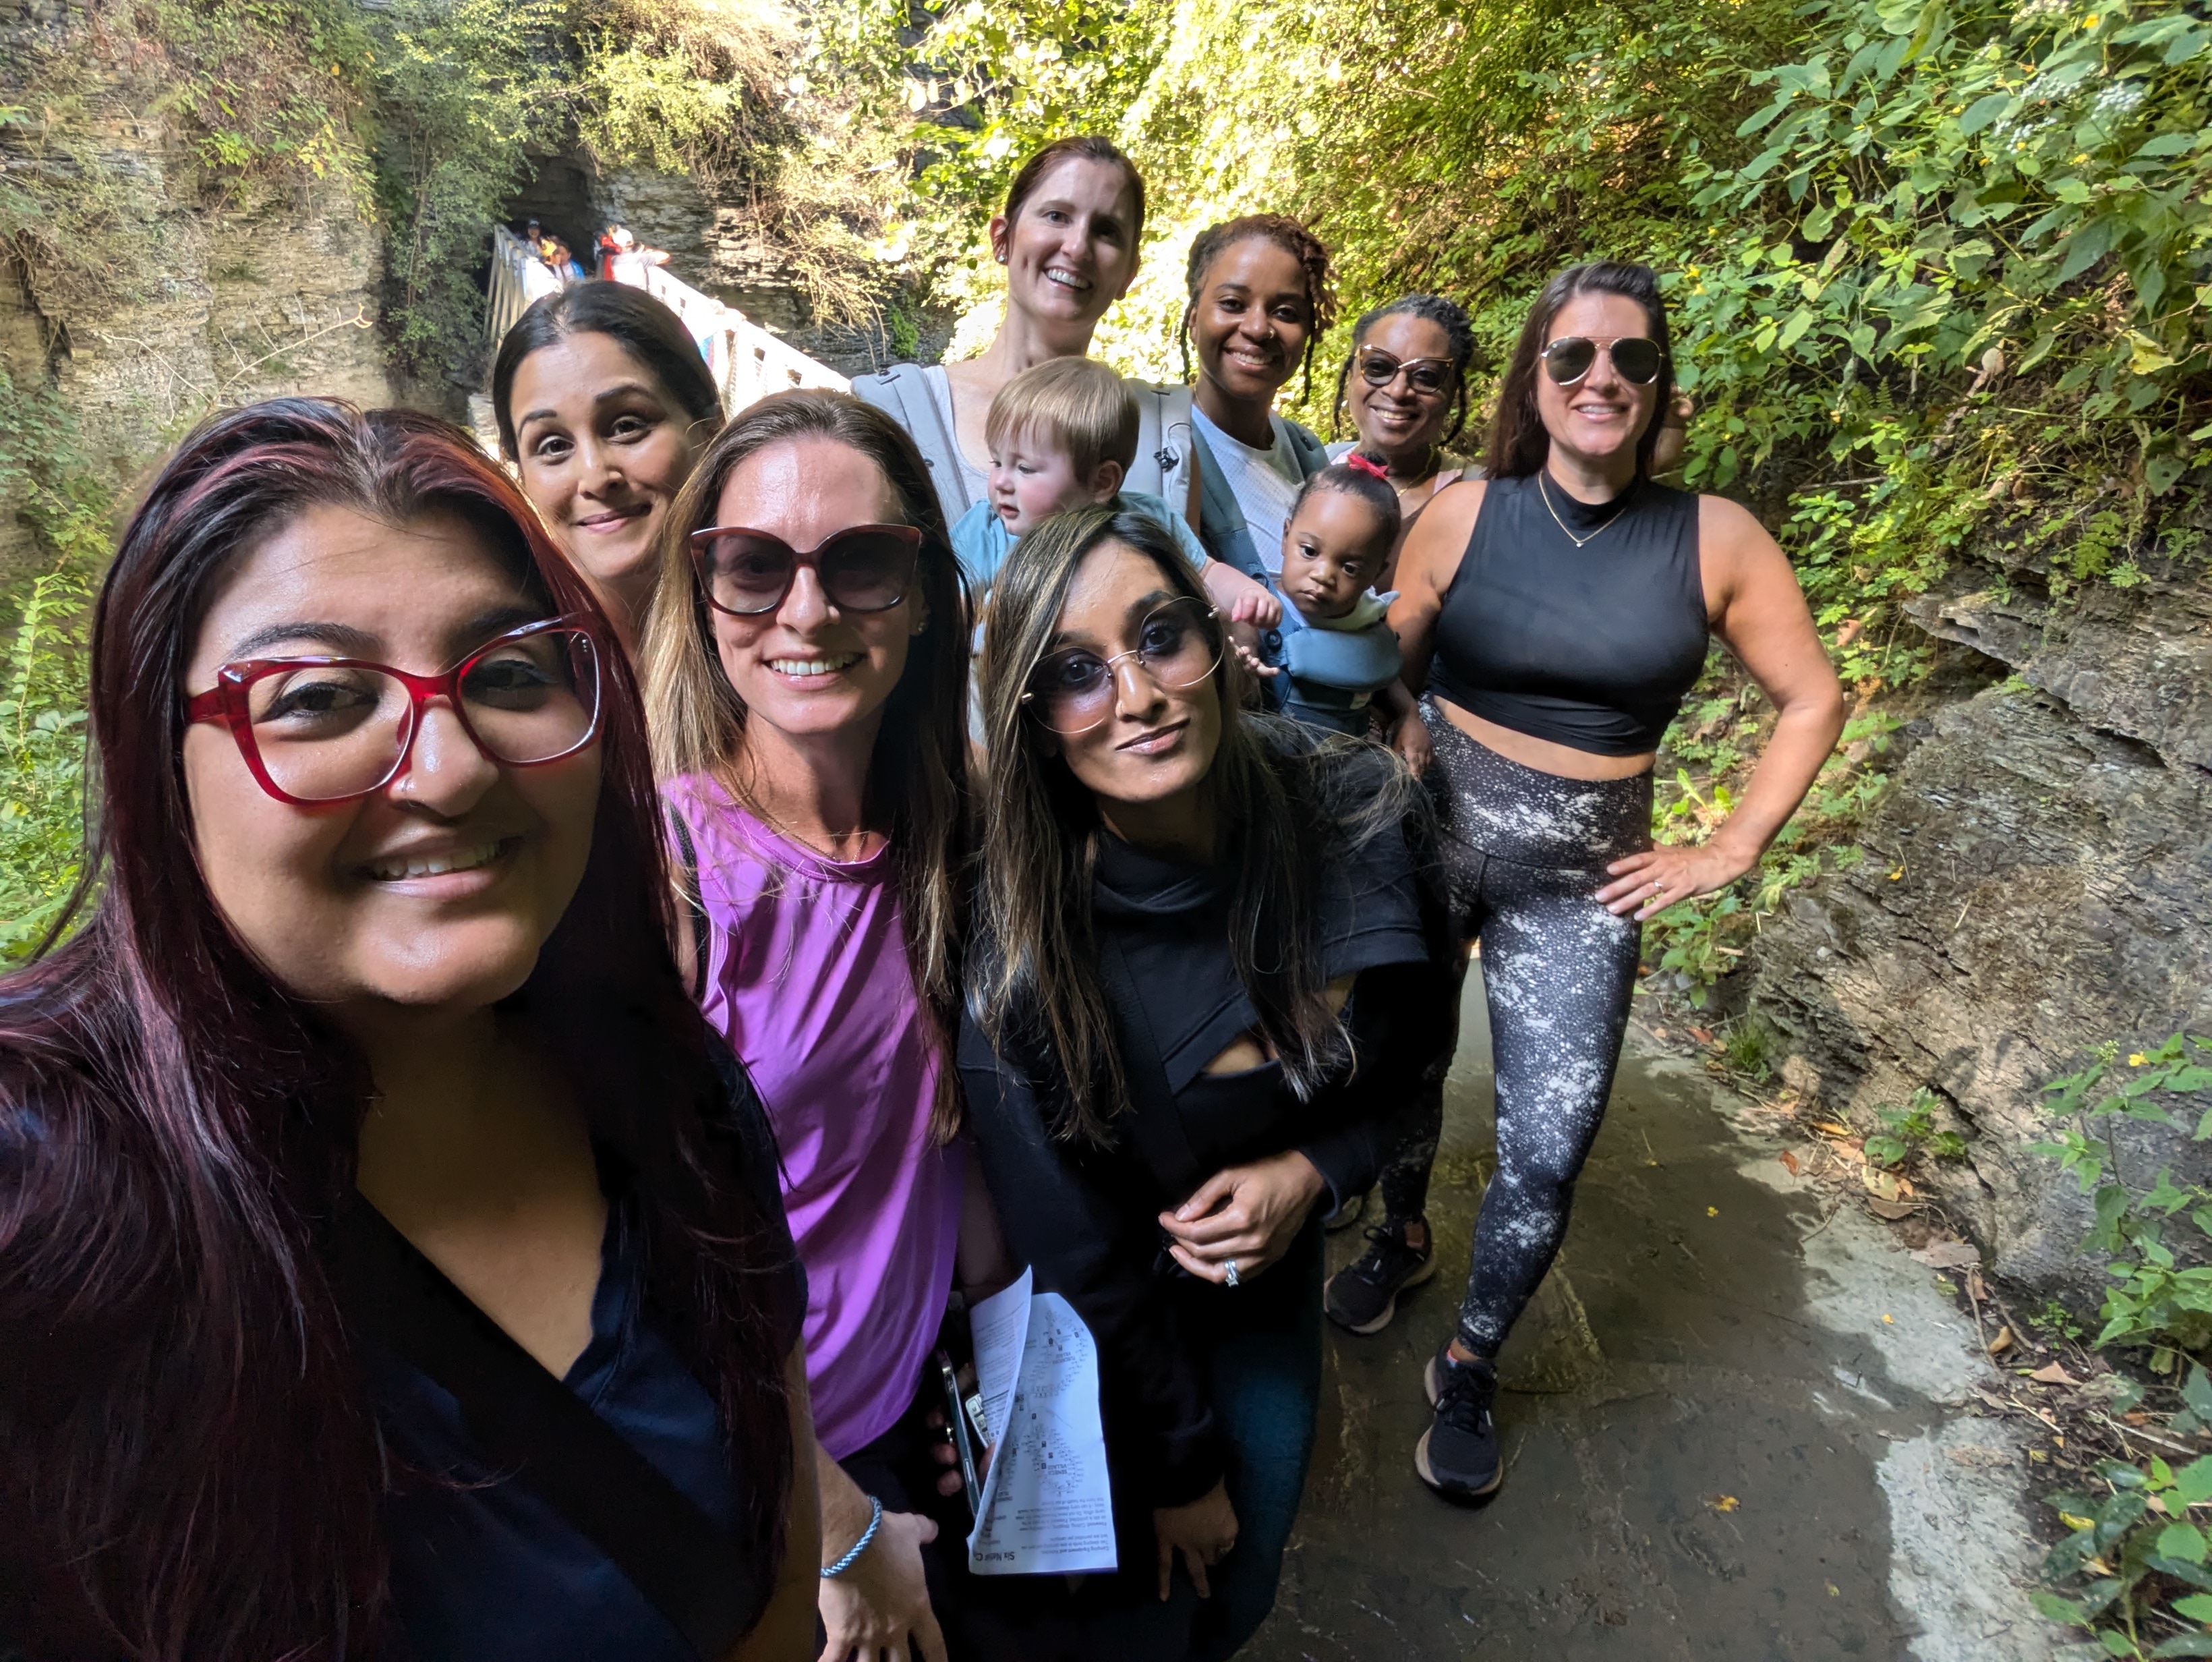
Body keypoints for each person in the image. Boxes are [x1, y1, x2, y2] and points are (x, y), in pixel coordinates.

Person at [0, 398, 819, 1661]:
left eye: (509, 674)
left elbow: (770, 1579)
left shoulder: (672, 1095)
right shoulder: (36, 1200)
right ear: (159, 762)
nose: (448, 768)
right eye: (321, 697)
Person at [1343, 261, 1846, 1506]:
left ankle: (1471, 1361)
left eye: (1631, 357)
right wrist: (1392, 722)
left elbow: (1811, 698)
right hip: (1433, 840)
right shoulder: (1464, 511)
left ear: (1660, 381)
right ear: (1536, 378)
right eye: (1572, 356)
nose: (1600, 378)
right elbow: (1377, 663)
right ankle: (1401, 1232)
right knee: (1400, 1068)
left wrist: (1730, 847)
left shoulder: (1716, 537)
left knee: (1550, 1144)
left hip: (1584, 887)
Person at [958, 506, 1455, 1661]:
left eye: (1158, 636)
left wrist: (1318, 1171)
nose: (1137, 695)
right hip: (1114, 1323)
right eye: (1076, 673)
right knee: (1156, 1607)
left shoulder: (1364, 806)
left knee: (1247, 1573)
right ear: (1034, 725)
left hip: (1265, 1281)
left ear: (1217, 639)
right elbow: (1073, 1248)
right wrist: (1178, 1463)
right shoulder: (1026, 953)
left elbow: (1418, 1048)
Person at [641, 390, 985, 1662]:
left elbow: (934, 1141)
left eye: (862, 562)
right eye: (753, 565)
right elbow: (628, 1260)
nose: (806, 610)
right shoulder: (669, 870)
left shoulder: (950, 834)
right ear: (703, 593)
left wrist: (985, 1359)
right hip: (763, 1476)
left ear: (925, 591)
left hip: (908, 1413)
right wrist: (833, 1526)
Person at [852, 136, 1277, 631]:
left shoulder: (1166, 431)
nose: (1076, 247)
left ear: (1129, 273)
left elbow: (1200, 597)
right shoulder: (898, 411)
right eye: (1056, 215)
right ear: (1002, 239)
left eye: (1106, 231)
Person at [493, 280, 724, 651]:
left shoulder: (791, 627)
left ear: (711, 430)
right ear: (520, 476)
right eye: (554, 446)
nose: (596, 477)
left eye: (627, 426)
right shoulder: (509, 657)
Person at [952, 356, 1213, 598]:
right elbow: (948, 605)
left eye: (1025, 468)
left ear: (1101, 482)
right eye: (997, 463)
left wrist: (1236, 596)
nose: (1000, 483)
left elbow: (1207, 574)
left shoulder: (1150, 518)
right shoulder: (986, 531)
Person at [1178, 215, 1337, 586]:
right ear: (1194, 319)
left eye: (1285, 313)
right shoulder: (1150, 439)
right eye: (1233, 303)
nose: (1257, 328)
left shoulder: (1307, 453)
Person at [1251, 459, 1414, 743]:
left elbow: (1383, 668)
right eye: (1310, 551)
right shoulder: (1259, 607)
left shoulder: (1366, 615)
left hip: (1350, 746)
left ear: (1376, 574)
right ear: (1286, 537)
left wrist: (1410, 715)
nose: (1323, 575)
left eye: (1350, 568)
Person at [1327, 294, 1478, 587]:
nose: (1398, 391)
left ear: (1451, 394)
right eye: (1378, 367)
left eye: (1426, 376)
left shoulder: (1479, 493)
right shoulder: (1307, 467)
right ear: (1351, 375)